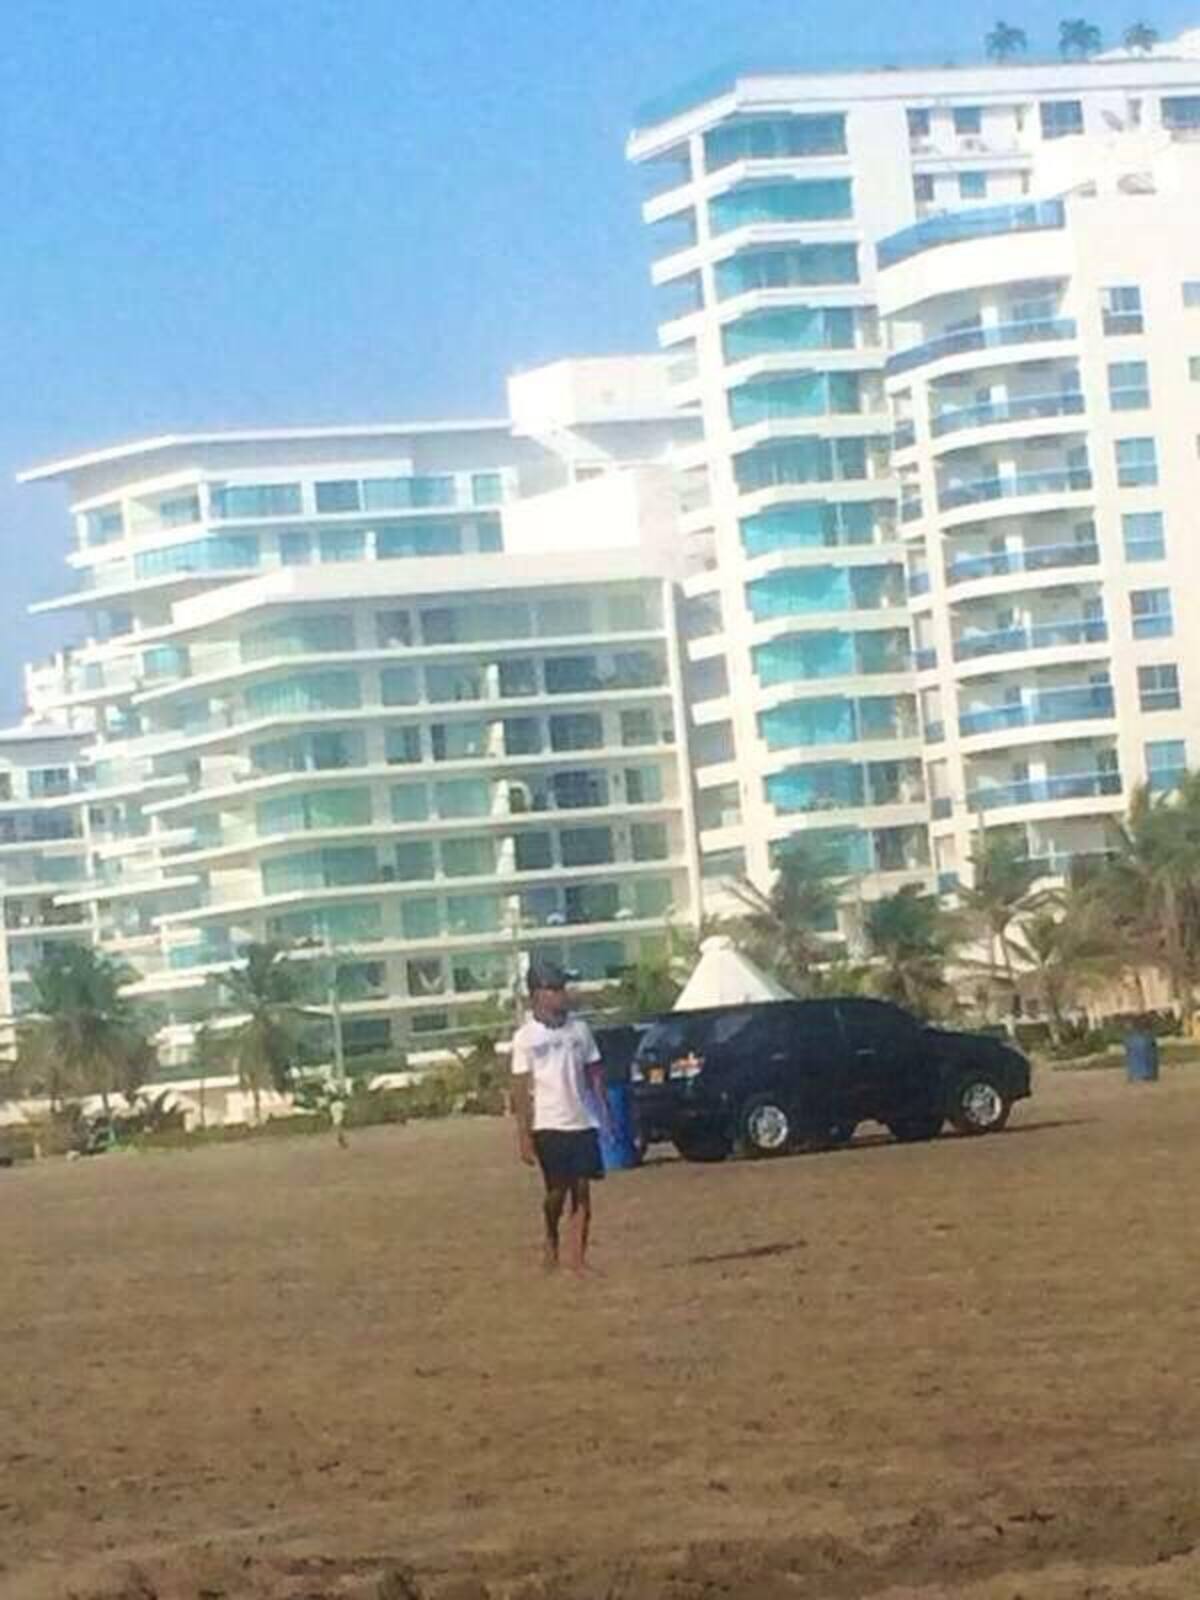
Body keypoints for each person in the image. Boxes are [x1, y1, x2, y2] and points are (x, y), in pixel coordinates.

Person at [510, 959, 611, 1274]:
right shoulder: (526, 1037)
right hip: (548, 1124)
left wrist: (605, 1114)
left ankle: (578, 1259)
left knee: (582, 1189)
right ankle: (551, 1235)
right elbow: (519, 1087)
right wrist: (524, 1135)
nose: (561, 995)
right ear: (537, 994)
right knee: (557, 1191)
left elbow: (594, 1073)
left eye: (562, 988)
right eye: (553, 989)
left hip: (580, 1120)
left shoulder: (580, 1031)